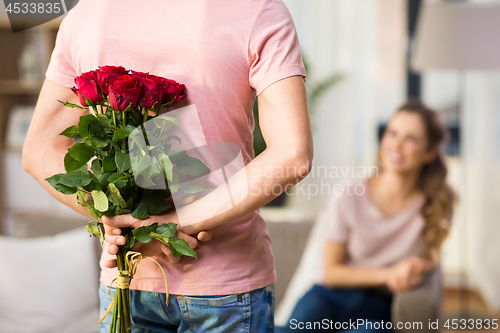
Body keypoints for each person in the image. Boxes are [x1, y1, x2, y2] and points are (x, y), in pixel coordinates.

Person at [23, 1, 313, 332]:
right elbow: (292, 155)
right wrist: (176, 224)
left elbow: (40, 150)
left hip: (127, 277)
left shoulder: (88, 12)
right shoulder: (258, 9)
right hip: (224, 287)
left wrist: (125, 222)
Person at [276, 100, 455, 332]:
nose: (396, 145)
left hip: (377, 307)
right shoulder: (349, 194)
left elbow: (433, 253)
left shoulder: (439, 201)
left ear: (429, 152)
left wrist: (417, 267)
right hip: (327, 298)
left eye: (411, 138)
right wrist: (389, 274)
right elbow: (331, 272)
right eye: (392, 133)